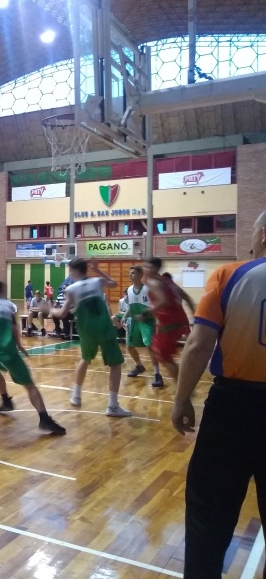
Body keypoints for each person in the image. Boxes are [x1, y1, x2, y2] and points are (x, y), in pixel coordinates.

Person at [171, 211, 266, 578]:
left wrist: (181, 400)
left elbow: (198, 345)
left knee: (208, 514)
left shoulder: (229, 275)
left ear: (264, 235)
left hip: (233, 409)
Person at [0, 279, 65, 435]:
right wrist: (20, 346)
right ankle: (44, 419)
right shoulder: (8, 305)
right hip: (6, 348)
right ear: (2, 291)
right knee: (29, 385)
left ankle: (6, 400)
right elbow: (14, 327)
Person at [47, 258, 131, 417]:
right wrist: (97, 269)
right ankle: (112, 406)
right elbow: (113, 284)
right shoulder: (97, 281)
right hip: (104, 327)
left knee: (85, 359)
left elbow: (63, 313)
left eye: (71, 271)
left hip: (86, 330)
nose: (70, 274)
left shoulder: (71, 288)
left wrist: (49, 309)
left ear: (76, 271)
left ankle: (76, 396)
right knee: (115, 364)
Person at [143, 257, 195, 387]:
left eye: (146, 266)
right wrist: (194, 317)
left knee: (163, 355)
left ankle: (182, 388)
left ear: (154, 268)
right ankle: (183, 383)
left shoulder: (153, 282)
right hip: (180, 321)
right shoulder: (167, 281)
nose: (144, 269)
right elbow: (187, 297)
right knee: (166, 355)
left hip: (168, 322)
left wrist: (148, 311)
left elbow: (164, 301)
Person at [116, 265, 161, 383]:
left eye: (134, 273)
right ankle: (139, 366)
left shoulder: (147, 289)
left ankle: (157, 374)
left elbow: (155, 307)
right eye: (130, 273)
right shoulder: (129, 289)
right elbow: (130, 307)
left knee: (150, 347)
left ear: (141, 275)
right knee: (129, 347)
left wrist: (144, 315)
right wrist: (125, 317)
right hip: (135, 321)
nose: (131, 275)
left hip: (147, 322)